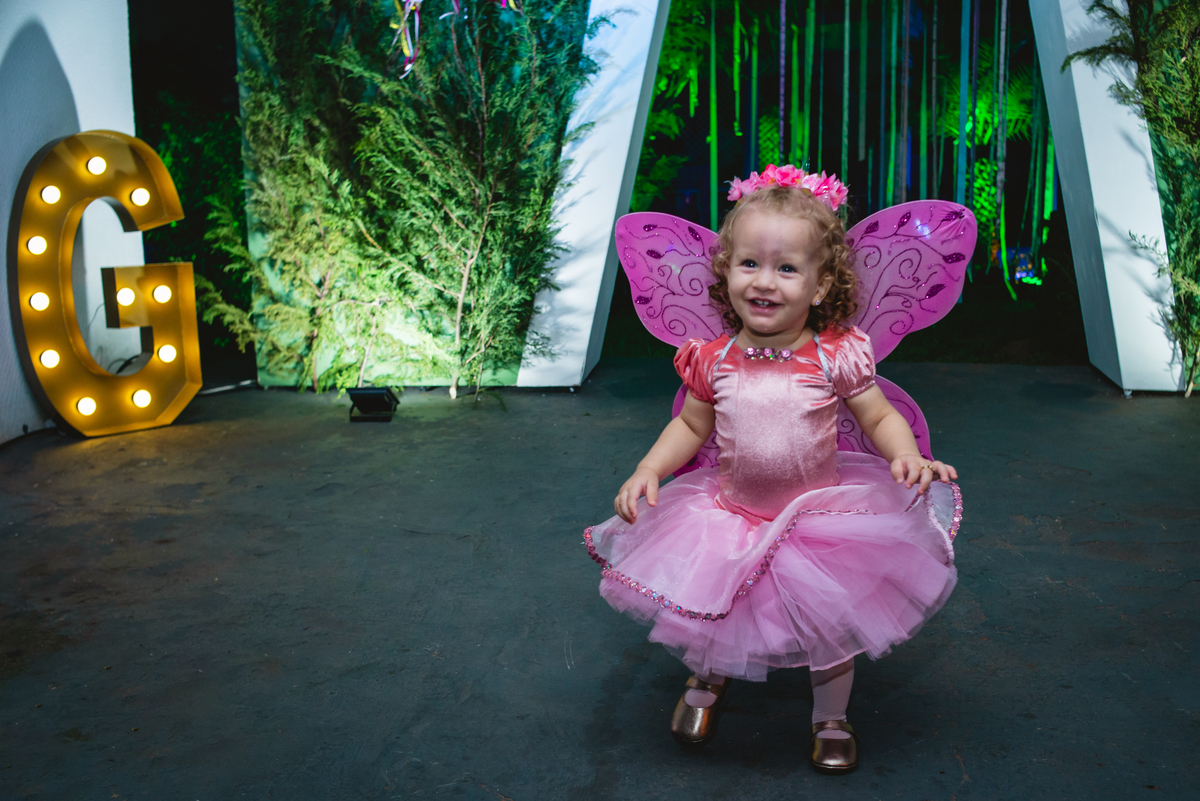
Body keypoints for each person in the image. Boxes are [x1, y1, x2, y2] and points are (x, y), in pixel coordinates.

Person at [582, 167, 961, 774]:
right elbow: (691, 427)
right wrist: (649, 467)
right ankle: (707, 682)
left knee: (831, 627)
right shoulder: (712, 358)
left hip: (819, 521)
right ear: (725, 272)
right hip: (730, 514)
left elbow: (879, 414)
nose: (765, 281)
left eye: (787, 268)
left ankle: (830, 716)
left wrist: (905, 454)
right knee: (712, 608)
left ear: (819, 285)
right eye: (749, 264)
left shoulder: (836, 352)